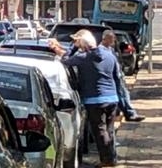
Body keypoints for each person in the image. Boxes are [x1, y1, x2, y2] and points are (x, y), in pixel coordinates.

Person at [49, 30, 121, 167]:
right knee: (109, 130)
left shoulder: (83, 57)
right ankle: (111, 158)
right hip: (112, 98)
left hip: (95, 100)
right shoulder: (109, 55)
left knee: (99, 130)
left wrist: (74, 47)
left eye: (79, 43)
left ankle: (108, 160)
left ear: (83, 44)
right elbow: (116, 78)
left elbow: (65, 60)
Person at [100, 30, 145, 122]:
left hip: (118, 74)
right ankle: (129, 113)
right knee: (121, 94)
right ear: (105, 39)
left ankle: (129, 113)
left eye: (114, 39)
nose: (113, 41)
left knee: (124, 93)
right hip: (111, 76)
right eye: (112, 39)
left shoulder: (110, 49)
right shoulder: (101, 50)